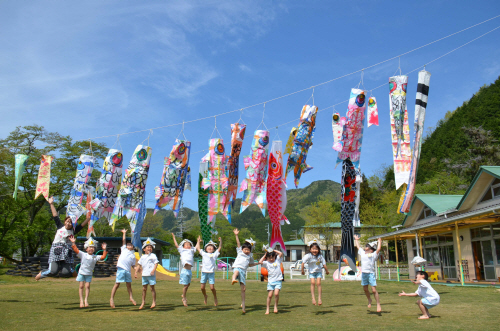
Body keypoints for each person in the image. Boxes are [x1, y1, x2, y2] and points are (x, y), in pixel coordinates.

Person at [36, 196, 90, 280]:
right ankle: (42, 273)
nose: (68, 223)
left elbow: (83, 224)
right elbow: (55, 215)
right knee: (53, 272)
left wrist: (90, 217)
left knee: (66, 272)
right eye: (67, 221)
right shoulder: (60, 227)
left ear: (73, 224)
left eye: (70, 222)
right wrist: (51, 204)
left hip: (66, 252)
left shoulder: (73, 231)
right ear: (64, 222)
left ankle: (76, 274)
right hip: (56, 250)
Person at [69, 236, 107, 308]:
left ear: (94, 249)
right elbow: (76, 250)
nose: (91, 248)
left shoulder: (95, 257)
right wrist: (73, 242)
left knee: (87, 286)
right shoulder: (83, 254)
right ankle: (81, 301)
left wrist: (104, 249)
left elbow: (103, 257)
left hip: (89, 274)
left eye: (92, 247)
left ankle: (86, 300)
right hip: (81, 273)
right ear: (86, 249)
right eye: (89, 247)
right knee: (81, 286)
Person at [231, 228, 257, 314]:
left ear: (250, 250)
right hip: (237, 268)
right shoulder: (240, 252)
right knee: (236, 271)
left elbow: (251, 264)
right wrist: (236, 235)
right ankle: (233, 279)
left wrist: (259, 263)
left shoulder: (250, 256)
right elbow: (238, 243)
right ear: (242, 249)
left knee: (243, 289)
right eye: (245, 249)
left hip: (243, 271)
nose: (246, 251)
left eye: (248, 250)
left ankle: (243, 306)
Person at [355, 235, 382, 312]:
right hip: (364, 274)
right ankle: (369, 299)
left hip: (371, 274)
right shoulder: (363, 253)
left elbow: (379, 249)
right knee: (365, 289)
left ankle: (378, 304)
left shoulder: (373, 255)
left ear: (371, 250)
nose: (366, 248)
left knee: (374, 290)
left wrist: (379, 242)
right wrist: (356, 240)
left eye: (367, 247)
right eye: (366, 247)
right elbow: (358, 247)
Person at [171, 233, 200, 307]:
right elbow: (177, 245)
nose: (188, 245)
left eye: (189, 244)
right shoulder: (182, 250)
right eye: (186, 244)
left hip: (189, 271)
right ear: (183, 246)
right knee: (186, 286)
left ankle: (183, 295)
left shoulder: (191, 250)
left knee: (188, 284)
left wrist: (198, 241)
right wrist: (174, 237)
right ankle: (184, 298)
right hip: (184, 271)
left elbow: (196, 247)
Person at [110, 229, 136, 308]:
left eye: (130, 245)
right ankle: (111, 299)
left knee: (129, 285)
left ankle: (131, 297)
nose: (128, 245)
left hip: (127, 271)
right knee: (117, 284)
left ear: (133, 247)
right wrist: (124, 233)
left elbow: (133, 265)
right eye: (128, 244)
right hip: (121, 269)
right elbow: (123, 241)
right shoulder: (124, 249)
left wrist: (137, 270)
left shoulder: (133, 255)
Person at [301, 239, 330, 306]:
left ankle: (319, 298)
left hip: (318, 272)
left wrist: (327, 271)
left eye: (316, 249)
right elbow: (303, 263)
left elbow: (324, 264)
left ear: (319, 250)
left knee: (318, 283)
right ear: (310, 249)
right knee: (313, 283)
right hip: (311, 272)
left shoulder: (320, 256)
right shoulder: (308, 256)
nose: (314, 250)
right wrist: (302, 270)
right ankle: (313, 298)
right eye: (313, 249)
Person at [196, 236, 222, 306]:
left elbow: (219, 248)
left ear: (214, 249)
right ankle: (205, 296)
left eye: (212, 247)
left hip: (211, 273)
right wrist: (198, 241)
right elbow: (198, 248)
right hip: (204, 273)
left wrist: (220, 241)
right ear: (205, 249)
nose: (210, 247)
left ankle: (215, 297)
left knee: (212, 288)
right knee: (202, 288)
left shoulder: (215, 254)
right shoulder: (204, 254)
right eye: (208, 246)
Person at [135, 238, 158, 310]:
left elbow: (156, 263)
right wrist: (136, 272)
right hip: (144, 275)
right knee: (144, 289)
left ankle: (154, 302)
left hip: (151, 275)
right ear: (144, 249)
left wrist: (153, 270)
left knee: (152, 288)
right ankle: (143, 302)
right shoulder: (142, 257)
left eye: (150, 247)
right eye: (148, 247)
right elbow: (139, 265)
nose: (149, 248)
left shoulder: (153, 255)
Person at [259, 246, 284, 314]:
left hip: (278, 280)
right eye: (269, 258)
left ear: (274, 257)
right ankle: (267, 309)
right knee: (270, 295)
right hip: (270, 282)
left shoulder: (277, 260)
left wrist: (273, 250)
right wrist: (265, 254)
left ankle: (275, 306)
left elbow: (280, 253)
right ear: (267, 258)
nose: (271, 259)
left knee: (276, 294)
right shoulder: (266, 263)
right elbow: (260, 261)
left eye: (272, 257)